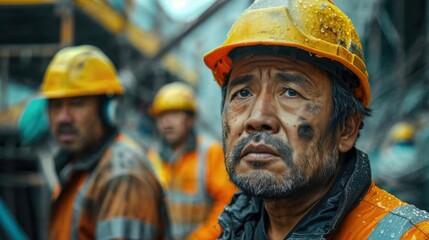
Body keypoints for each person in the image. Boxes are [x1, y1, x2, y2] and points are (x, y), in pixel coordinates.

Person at [203, 0, 429, 239]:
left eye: (290, 92)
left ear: (346, 129)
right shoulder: (228, 230)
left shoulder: (404, 235)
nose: (257, 118)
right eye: (243, 93)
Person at [39, 45, 170, 240]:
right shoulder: (78, 167)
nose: (63, 118)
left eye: (76, 103)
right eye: (56, 105)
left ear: (108, 110)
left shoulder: (122, 177)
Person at [147, 82, 236, 240]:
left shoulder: (209, 152)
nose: (166, 121)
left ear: (190, 119)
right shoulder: (153, 158)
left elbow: (227, 204)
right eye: (161, 115)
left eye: (174, 113)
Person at [375, 121, 428, 210]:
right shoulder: (415, 155)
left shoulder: (387, 154)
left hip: (392, 197)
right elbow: (420, 176)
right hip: (413, 199)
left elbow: (380, 175)